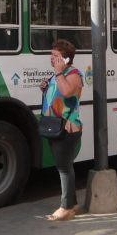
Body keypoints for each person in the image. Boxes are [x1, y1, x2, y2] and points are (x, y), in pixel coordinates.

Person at [39, 39, 83, 221]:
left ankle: (65, 208)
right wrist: (45, 89)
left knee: (63, 167)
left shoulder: (73, 73)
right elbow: (56, 97)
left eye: (55, 56)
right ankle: (73, 204)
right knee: (65, 165)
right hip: (54, 125)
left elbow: (66, 93)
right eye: (51, 55)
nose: (52, 58)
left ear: (66, 58)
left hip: (68, 127)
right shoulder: (58, 74)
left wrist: (57, 74)